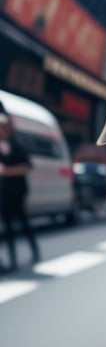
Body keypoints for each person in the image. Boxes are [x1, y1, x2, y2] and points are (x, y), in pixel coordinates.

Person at [0, 102, 40, 272]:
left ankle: (35, 252)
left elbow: (27, 166)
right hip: (3, 193)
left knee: (24, 224)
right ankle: (12, 262)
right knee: (7, 228)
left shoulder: (17, 145)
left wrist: (7, 171)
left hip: (17, 192)